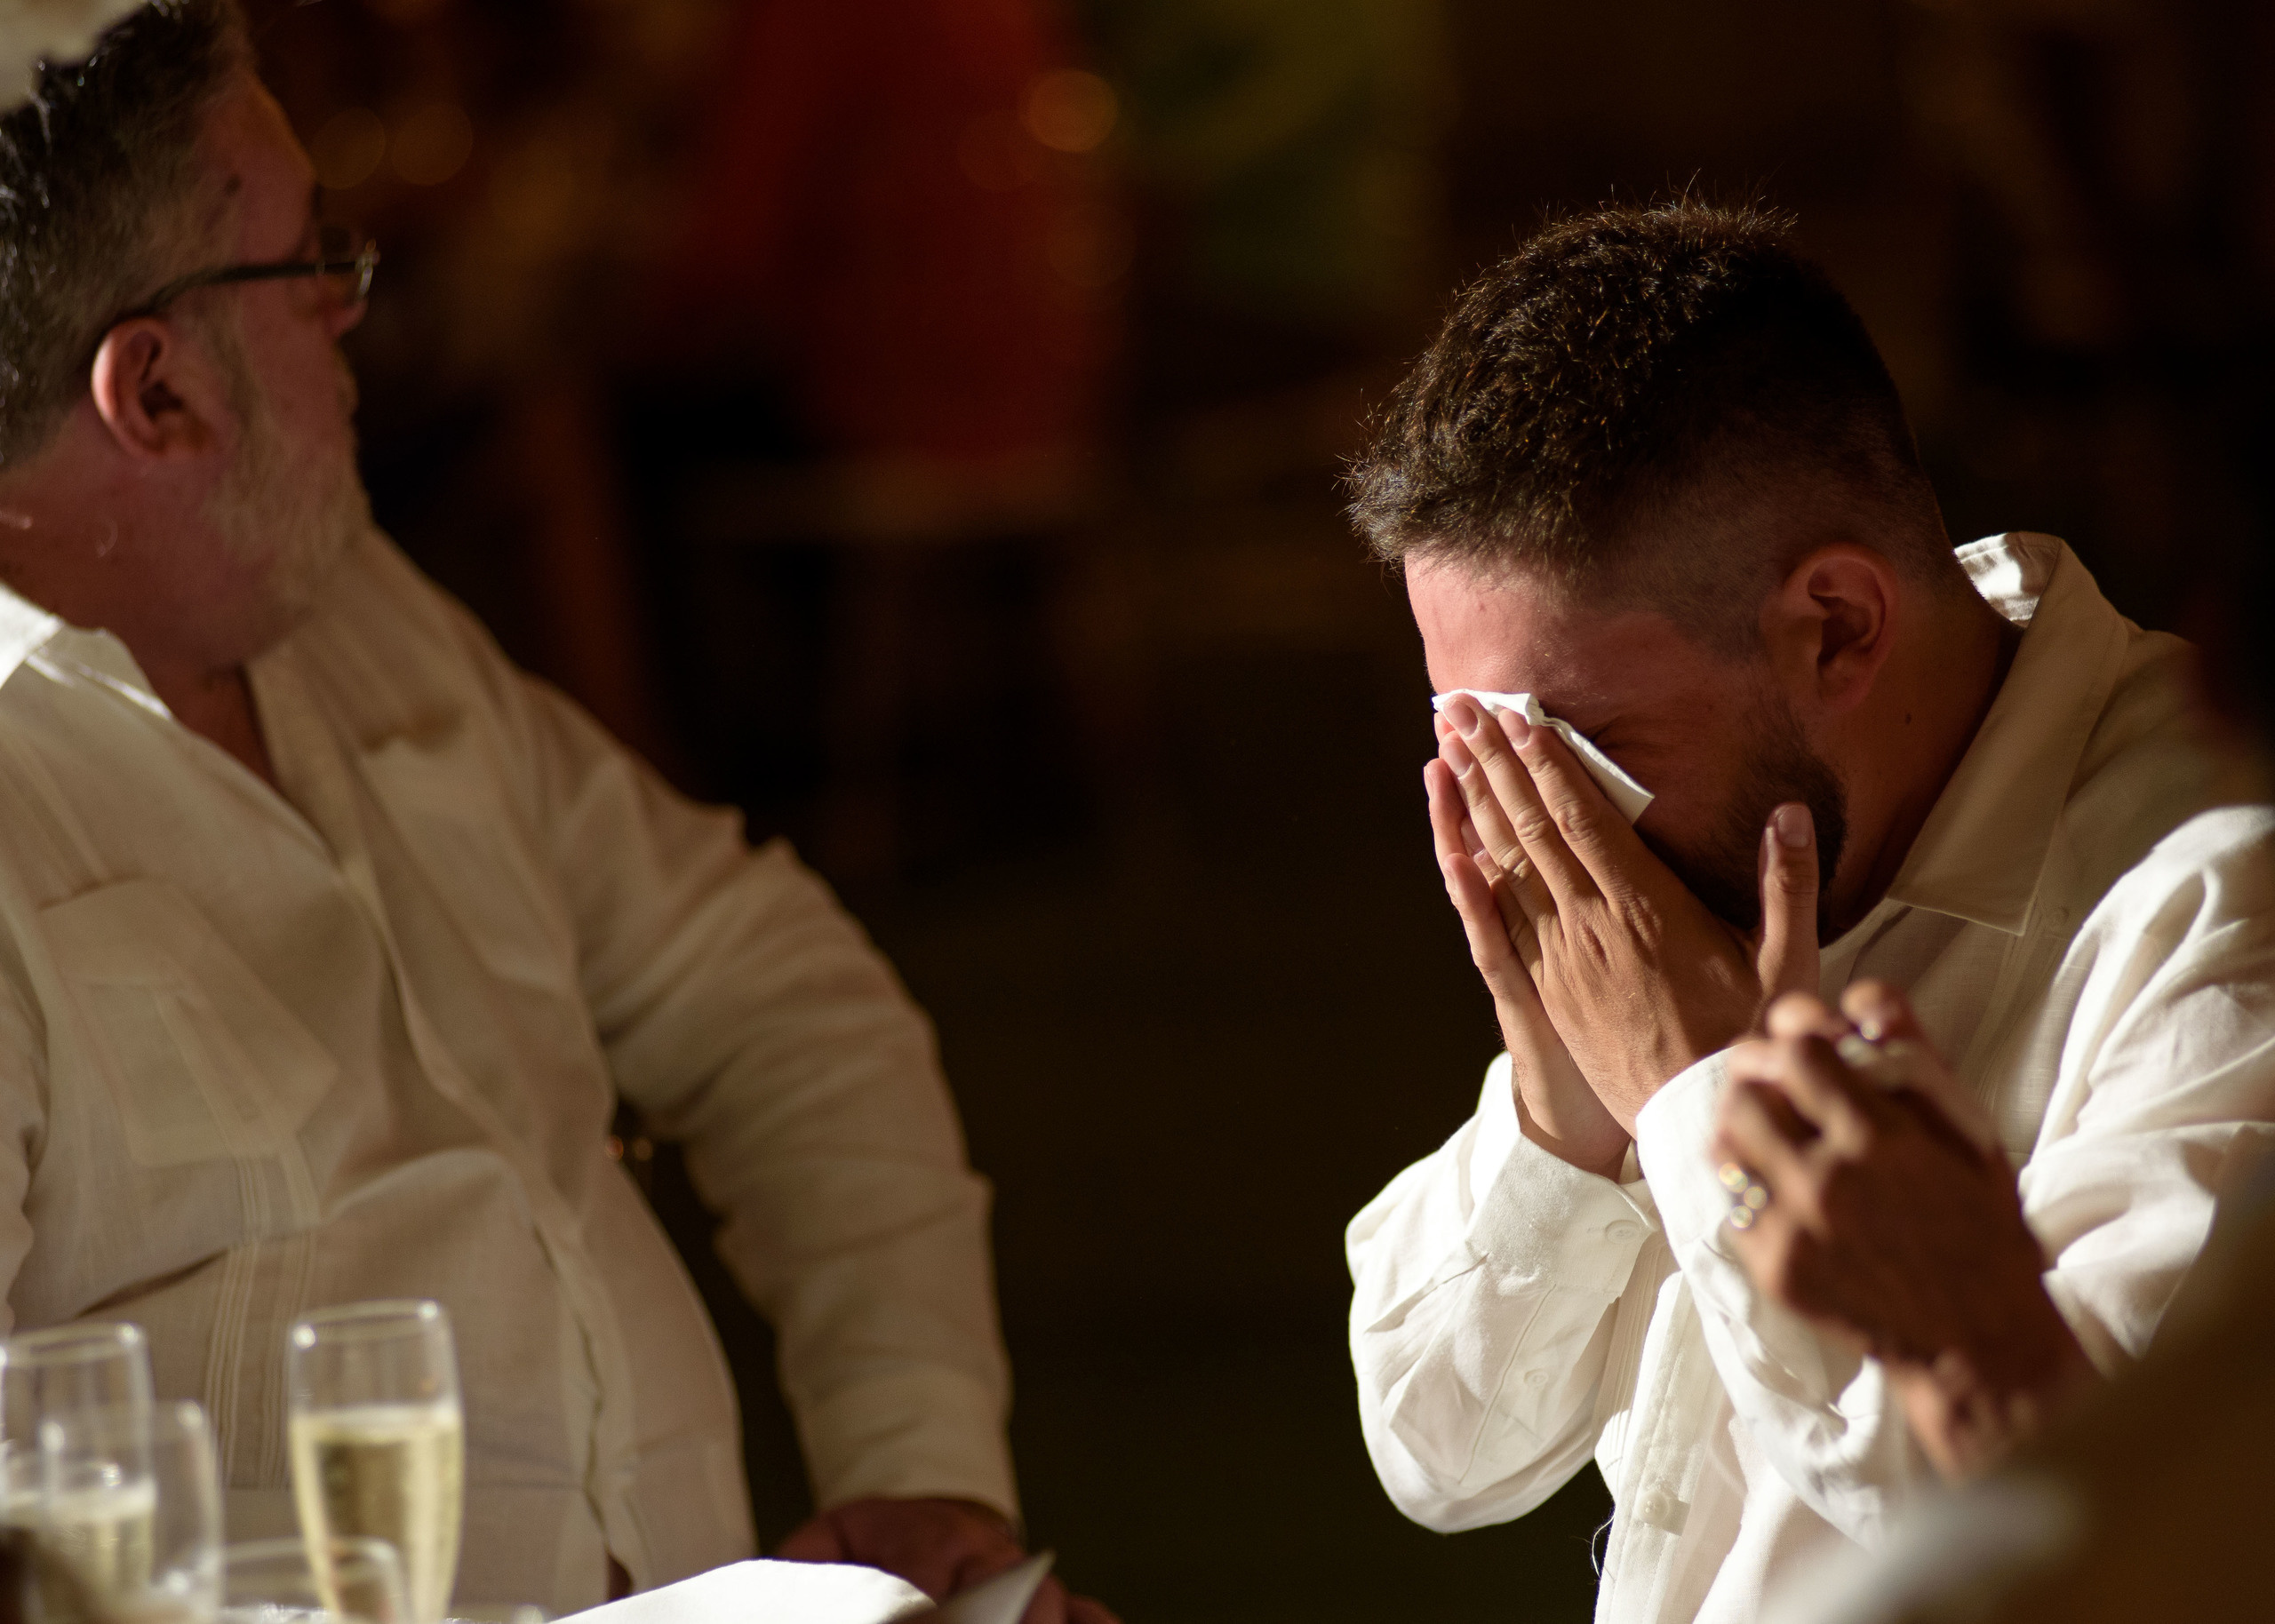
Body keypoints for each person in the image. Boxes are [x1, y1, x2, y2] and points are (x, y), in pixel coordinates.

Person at [0, 6, 1108, 1620]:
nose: (351, 307)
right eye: (309, 261)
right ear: (154, 393)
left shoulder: (352, 618)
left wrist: (917, 1473)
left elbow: (778, 996)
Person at [1338, 198, 2275, 1623]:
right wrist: (1564, 1120)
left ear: (1837, 628)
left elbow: (2104, 1557)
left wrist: (1701, 1105)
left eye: (1573, 746)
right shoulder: (1712, 860)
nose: (1529, 821)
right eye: (1474, 740)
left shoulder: (2216, 910)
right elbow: (1440, 1452)